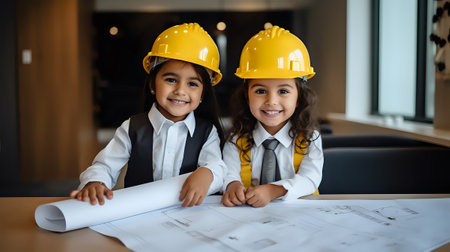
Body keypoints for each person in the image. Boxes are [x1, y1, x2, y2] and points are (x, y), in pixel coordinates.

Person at [70, 23, 226, 207]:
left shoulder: (207, 132)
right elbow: (105, 165)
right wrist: (95, 182)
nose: (180, 91)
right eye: (171, 80)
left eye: (192, 84)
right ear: (152, 85)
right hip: (138, 214)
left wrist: (208, 173)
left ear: (202, 95)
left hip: (187, 215)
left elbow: (218, 167)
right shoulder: (132, 127)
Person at [221, 25, 324, 208]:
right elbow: (229, 172)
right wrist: (232, 185)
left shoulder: (310, 138)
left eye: (283, 91)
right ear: (247, 96)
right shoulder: (235, 138)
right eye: (260, 91)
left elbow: (310, 179)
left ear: (299, 97)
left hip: (301, 216)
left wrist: (273, 190)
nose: (271, 101)